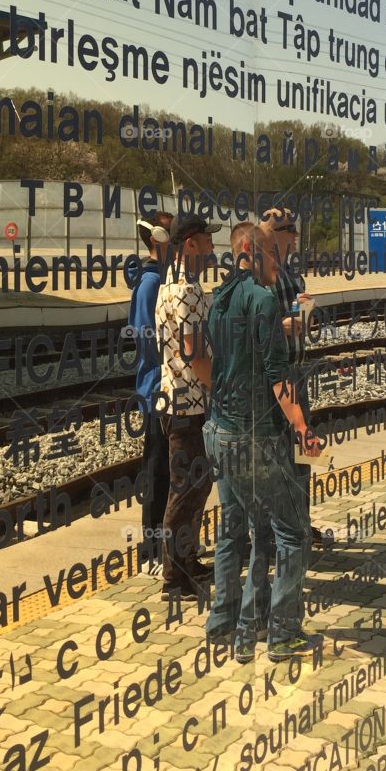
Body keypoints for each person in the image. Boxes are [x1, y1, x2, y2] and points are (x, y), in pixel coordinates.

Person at [204, 221, 325, 663]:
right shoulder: (261, 300)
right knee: (290, 532)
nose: (280, 264)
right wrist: (301, 426)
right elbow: (277, 376)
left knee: (237, 528)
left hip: (218, 433)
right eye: (274, 254)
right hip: (254, 436)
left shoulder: (218, 300)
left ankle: (229, 624)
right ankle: (283, 634)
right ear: (252, 252)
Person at [155, 213, 220, 599]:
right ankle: (175, 577)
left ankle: (186, 559)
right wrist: (221, 388)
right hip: (189, 403)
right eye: (207, 241)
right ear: (190, 244)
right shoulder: (188, 293)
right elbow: (195, 354)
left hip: (175, 398)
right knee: (186, 490)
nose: (213, 248)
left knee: (192, 486)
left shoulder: (168, 286)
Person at [258, 206, 326, 545]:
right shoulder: (261, 275)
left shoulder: (292, 276)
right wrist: (281, 325)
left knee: (301, 452)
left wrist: (304, 311)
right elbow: (258, 325)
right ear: (276, 235)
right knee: (279, 457)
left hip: (294, 371)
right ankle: (279, 530)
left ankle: (300, 522)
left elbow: (298, 325)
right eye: (290, 232)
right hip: (277, 375)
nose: (296, 238)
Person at [127, 211, 174, 571]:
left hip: (169, 386)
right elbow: (148, 340)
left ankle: (168, 545)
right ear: (159, 240)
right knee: (158, 469)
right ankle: (151, 550)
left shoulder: (163, 279)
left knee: (173, 469)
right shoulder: (149, 285)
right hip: (158, 388)